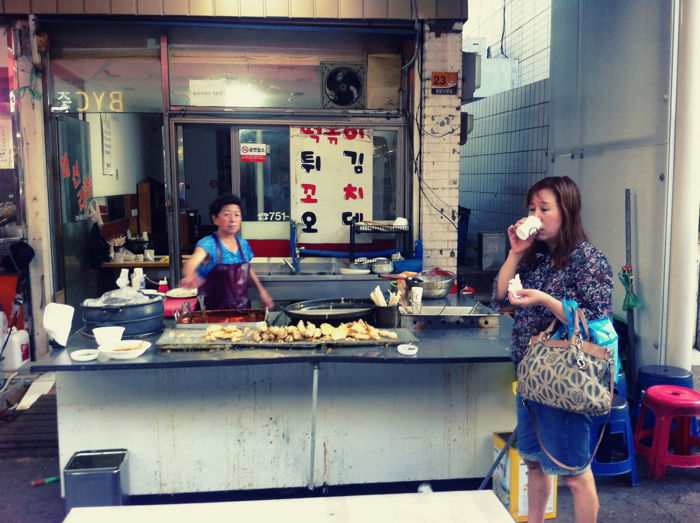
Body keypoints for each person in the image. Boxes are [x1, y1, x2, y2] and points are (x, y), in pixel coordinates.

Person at [491, 176, 613, 523]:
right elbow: (499, 297)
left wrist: (547, 300)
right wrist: (515, 252)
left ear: (567, 211)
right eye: (532, 208)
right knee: (533, 462)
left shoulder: (587, 258)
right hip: (531, 373)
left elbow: (596, 318)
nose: (536, 215)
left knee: (574, 472)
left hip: (567, 376)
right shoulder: (534, 255)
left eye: (545, 208)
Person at [181, 193, 274, 311]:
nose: (233, 219)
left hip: (242, 311)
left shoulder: (243, 244)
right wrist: (190, 276)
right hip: (212, 314)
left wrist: (262, 292)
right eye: (227, 214)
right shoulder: (208, 244)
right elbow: (191, 263)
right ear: (215, 219)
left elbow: (248, 270)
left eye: (237, 214)